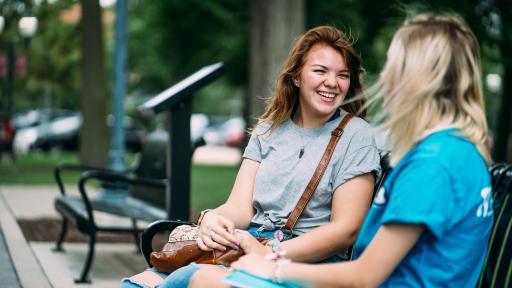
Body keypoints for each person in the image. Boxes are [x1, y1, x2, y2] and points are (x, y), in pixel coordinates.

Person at [190, 14, 494, 288]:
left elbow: (363, 275)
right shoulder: (458, 153)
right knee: (201, 278)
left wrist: (273, 266)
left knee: (206, 282)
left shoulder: (433, 164)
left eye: (394, 66)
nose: (386, 78)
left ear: (416, 79)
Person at [121, 25, 381, 288]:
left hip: (303, 263)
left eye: (342, 75)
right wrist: (212, 218)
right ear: (296, 77)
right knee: (135, 285)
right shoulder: (269, 127)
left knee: (186, 279)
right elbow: (240, 209)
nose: (332, 82)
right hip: (245, 245)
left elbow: (345, 230)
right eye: (320, 71)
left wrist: (270, 253)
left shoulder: (355, 135)